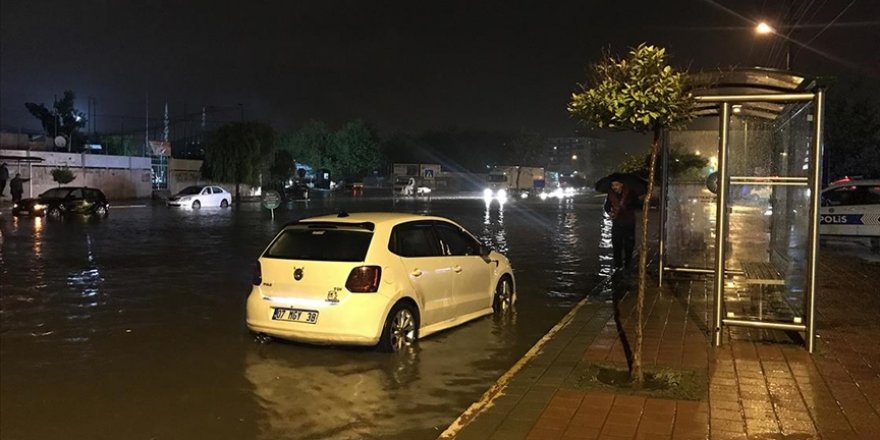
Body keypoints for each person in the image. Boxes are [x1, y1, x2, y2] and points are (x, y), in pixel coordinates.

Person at [604, 180, 637, 268]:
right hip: (617, 222)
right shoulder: (611, 194)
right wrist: (610, 212)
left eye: (616, 185)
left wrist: (626, 206)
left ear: (621, 184)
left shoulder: (630, 193)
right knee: (617, 245)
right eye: (613, 185)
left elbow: (637, 204)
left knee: (629, 245)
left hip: (629, 222)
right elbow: (607, 206)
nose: (614, 187)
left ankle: (627, 264)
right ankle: (618, 265)